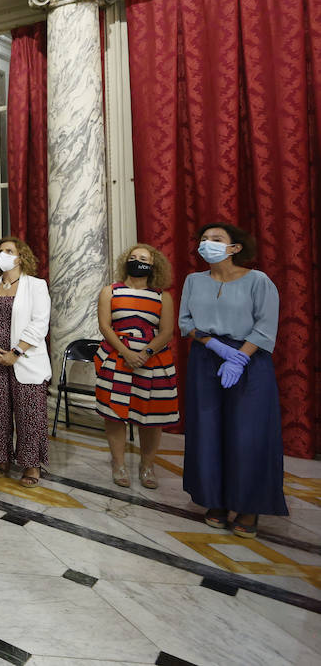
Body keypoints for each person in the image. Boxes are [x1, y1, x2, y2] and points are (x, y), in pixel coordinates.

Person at [178, 222, 287, 538]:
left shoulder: (258, 281)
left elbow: (266, 327)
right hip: (206, 356)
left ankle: (249, 505)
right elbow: (186, 323)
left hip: (248, 360)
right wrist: (214, 345)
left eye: (215, 239)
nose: (206, 243)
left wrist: (239, 357)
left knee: (247, 433)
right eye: (203, 239)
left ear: (235, 248)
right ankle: (215, 499)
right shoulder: (194, 281)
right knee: (208, 430)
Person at [93, 243, 179, 489]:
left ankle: (147, 465)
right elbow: (105, 326)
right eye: (133, 257)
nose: (137, 260)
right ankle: (118, 463)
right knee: (115, 414)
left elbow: (166, 331)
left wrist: (145, 352)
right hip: (118, 358)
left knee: (151, 416)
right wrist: (126, 352)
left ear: (153, 265)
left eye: (143, 257)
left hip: (153, 361)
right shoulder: (110, 291)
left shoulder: (163, 296)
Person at [0, 236, 51, 487]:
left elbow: (40, 324)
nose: (2, 254)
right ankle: (0, 457)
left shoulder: (36, 286)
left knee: (29, 414)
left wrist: (15, 352)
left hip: (25, 359)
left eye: (8, 250)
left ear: (20, 256)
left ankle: (31, 464)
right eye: (0, 251)